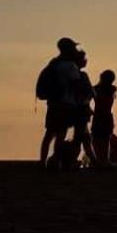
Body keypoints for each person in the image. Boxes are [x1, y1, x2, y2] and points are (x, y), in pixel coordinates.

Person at [37, 37, 84, 167]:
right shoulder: (70, 66)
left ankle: (42, 162)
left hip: (53, 103)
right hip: (65, 104)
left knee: (49, 134)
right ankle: (56, 162)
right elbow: (76, 86)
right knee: (61, 134)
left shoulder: (54, 63)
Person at [90, 69, 117, 166]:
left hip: (99, 115)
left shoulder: (97, 89)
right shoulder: (112, 89)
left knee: (98, 138)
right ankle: (104, 159)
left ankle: (100, 159)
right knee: (105, 138)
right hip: (106, 115)